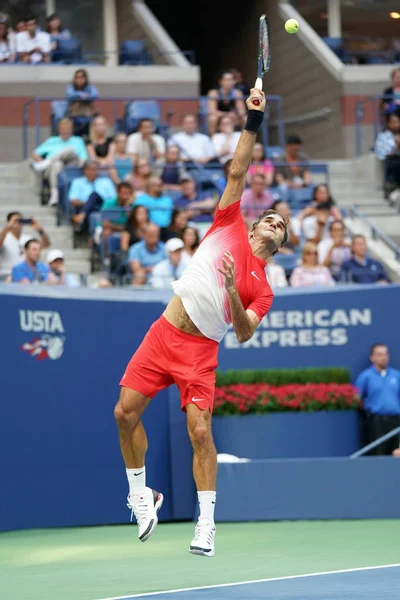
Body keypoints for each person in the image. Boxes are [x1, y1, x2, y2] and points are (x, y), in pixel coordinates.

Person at [114, 88, 288, 557]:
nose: (274, 222)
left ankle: (206, 523)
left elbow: (245, 331)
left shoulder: (264, 288)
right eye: (269, 218)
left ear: (279, 244)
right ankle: (141, 495)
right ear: (253, 228)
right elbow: (238, 169)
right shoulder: (228, 220)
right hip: (164, 332)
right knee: (123, 414)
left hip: (199, 353)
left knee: (200, 433)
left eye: (281, 225)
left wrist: (232, 287)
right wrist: (253, 121)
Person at [31, 118, 88, 206]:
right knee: (57, 164)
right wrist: (40, 160)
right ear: (59, 129)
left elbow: (83, 157)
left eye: (67, 129)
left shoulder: (78, 140)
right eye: (63, 128)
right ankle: (55, 194)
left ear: (72, 130)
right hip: (53, 169)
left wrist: (79, 168)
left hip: (71, 166)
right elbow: (35, 153)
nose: (65, 131)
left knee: (70, 149)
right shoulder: (52, 140)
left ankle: (47, 162)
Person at [355, 344, 400, 455]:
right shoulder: (366, 376)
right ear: (372, 357)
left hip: (396, 421)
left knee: (396, 453)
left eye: (385, 354)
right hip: (376, 421)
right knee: (378, 452)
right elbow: (356, 397)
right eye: (379, 354)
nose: (383, 357)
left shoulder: (396, 375)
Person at [0, 212, 50, 280]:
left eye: (20, 220)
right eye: (15, 221)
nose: (18, 223)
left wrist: (39, 229)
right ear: (9, 222)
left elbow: (46, 244)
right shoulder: (5, 237)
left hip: (26, 273)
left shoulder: (27, 238)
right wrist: (7, 228)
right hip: (7, 274)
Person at [68, 161, 116, 229]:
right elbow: (73, 201)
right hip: (85, 207)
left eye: (95, 169)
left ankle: (81, 216)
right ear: (84, 171)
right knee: (92, 201)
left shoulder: (106, 181)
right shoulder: (77, 182)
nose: (93, 172)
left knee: (94, 195)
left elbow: (114, 198)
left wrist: (91, 203)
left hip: (103, 206)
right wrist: (90, 203)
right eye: (91, 169)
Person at [207, 71, 246, 136]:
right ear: (220, 81)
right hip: (219, 117)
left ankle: (245, 141)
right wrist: (226, 114)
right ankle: (212, 141)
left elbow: (242, 111)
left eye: (231, 80)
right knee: (212, 119)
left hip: (233, 117)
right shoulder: (214, 93)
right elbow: (212, 111)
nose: (229, 82)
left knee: (245, 118)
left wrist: (235, 114)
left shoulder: (237, 93)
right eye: (227, 80)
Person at [66, 69, 99, 137]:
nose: (79, 80)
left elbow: (95, 95)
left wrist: (86, 97)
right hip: (74, 116)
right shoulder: (71, 87)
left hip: (87, 116)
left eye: (81, 77)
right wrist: (81, 94)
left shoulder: (90, 87)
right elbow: (71, 95)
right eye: (77, 77)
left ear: (85, 78)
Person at [375, 113, 400, 198]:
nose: (396, 124)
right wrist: (395, 147)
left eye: (398, 122)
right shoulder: (383, 136)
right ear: (389, 123)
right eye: (394, 122)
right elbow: (382, 153)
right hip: (392, 165)